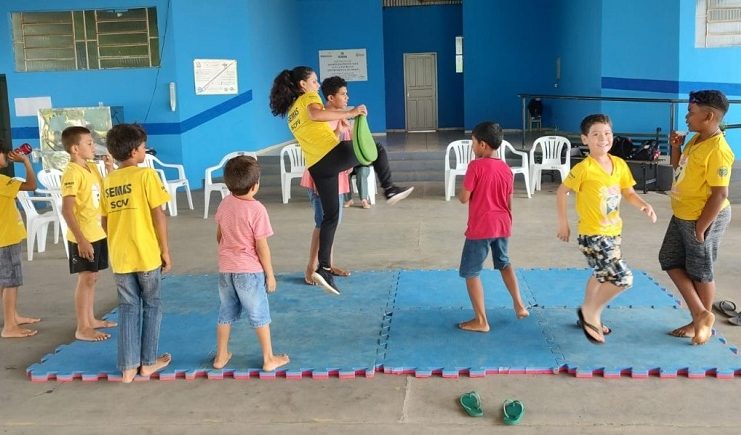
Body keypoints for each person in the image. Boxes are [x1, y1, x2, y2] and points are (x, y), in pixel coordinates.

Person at [270, 66, 413, 295]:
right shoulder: (309, 98)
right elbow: (316, 115)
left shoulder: (292, 113)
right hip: (329, 156)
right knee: (375, 149)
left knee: (330, 217)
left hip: (318, 167)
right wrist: (351, 112)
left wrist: (340, 125)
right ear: (302, 85)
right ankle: (389, 189)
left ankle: (324, 268)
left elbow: (317, 130)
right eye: (314, 81)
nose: (317, 85)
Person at [556, 114, 657, 344]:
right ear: (585, 139)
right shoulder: (584, 168)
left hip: (614, 233)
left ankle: (586, 315)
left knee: (601, 275)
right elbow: (562, 192)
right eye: (596, 134)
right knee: (623, 278)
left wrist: (643, 205)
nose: (603, 138)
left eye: (607, 133)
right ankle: (591, 312)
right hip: (593, 234)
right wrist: (563, 223)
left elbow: (628, 192)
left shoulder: (619, 164)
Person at [661, 90, 734, 345]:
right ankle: (701, 314)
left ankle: (700, 323)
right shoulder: (696, 140)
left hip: (702, 217)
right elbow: (678, 167)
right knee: (669, 258)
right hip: (682, 212)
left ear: (709, 116)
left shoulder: (719, 150)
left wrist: (702, 227)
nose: (686, 117)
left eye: (691, 113)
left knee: (700, 271)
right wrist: (676, 147)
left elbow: (720, 193)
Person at [101, 124, 172, 383]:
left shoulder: (108, 181)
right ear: (133, 151)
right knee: (152, 305)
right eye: (143, 147)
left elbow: (105, 221)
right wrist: (165, 250)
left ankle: (128, 368)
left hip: (120, 257)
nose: (145, 151)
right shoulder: (146, 176)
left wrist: (118, 241)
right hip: (146, 254)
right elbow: (158, 214)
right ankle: (148, 363)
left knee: (128, 308)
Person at [213, 155, 289, 371]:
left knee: (226, 312)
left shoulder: (225, 203)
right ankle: (268, 358)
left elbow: (219, 236)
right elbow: (261, 247)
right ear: (255, 185)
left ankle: (220, 356)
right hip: (249, 271)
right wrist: (270, 275)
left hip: (226, 269)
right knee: (259, 314)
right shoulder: (257, 210)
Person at [457, 122, 529, 332]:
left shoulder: (475, 166)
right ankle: (519, 305)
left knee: (471, 272)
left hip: (481, 226)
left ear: (483, 144)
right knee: (504, 263)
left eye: (473, 143)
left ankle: (481, 320)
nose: (472, 147)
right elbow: (509, 203)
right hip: (503, 224)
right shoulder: (506, 169)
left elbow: (464, 198)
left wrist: (462, 190)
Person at [60, 126, 116, 342]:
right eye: (89, 143)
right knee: (86, 278)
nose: (94, 147)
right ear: (75, 148)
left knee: (93, 277)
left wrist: (109, 169)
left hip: (97, 231)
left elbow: (105, 191)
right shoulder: (72, 173)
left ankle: (90, 319)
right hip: (83, 236)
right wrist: (81, 240)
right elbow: (67, 210)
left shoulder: (91, 168)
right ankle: (82, 327)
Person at [0, 143, 41, 338]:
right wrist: (25, 162)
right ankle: (9, 326)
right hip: (5, 238)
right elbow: (31, 185)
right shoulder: (1, 181)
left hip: (5, 237)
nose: (6, 156)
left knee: (4, 280)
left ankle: (12, 316)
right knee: (11, 282)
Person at [320, 76, 372, 209]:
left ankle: (364, 198)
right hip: (328, 173)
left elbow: (352, 140)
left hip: (342, 166)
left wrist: (360, 120)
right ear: (331, 98)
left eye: (346, 94)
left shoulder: (343, 117)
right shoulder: (321, 119)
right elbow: (325, 148)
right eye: (343, 94)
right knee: (328, 215)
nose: (347, 97)